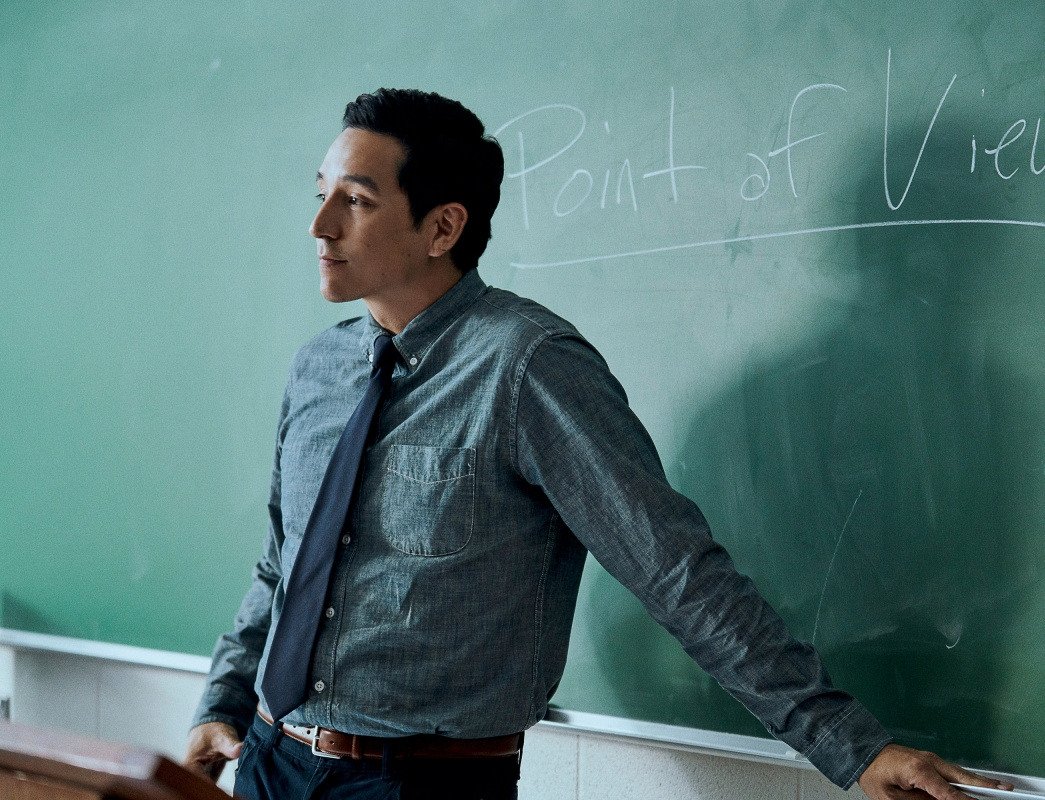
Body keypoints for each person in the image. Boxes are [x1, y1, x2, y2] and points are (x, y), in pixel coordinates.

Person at [184, 89, 1012, 800]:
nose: (318, 224)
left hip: (420, 783)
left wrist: (850, 746)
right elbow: (283, 565)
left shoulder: (529, 368)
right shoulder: (320, 369)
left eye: (355, 201)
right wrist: (223, 700)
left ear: (441, 227)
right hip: (270, 760)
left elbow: (673, 569)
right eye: (321, 192)